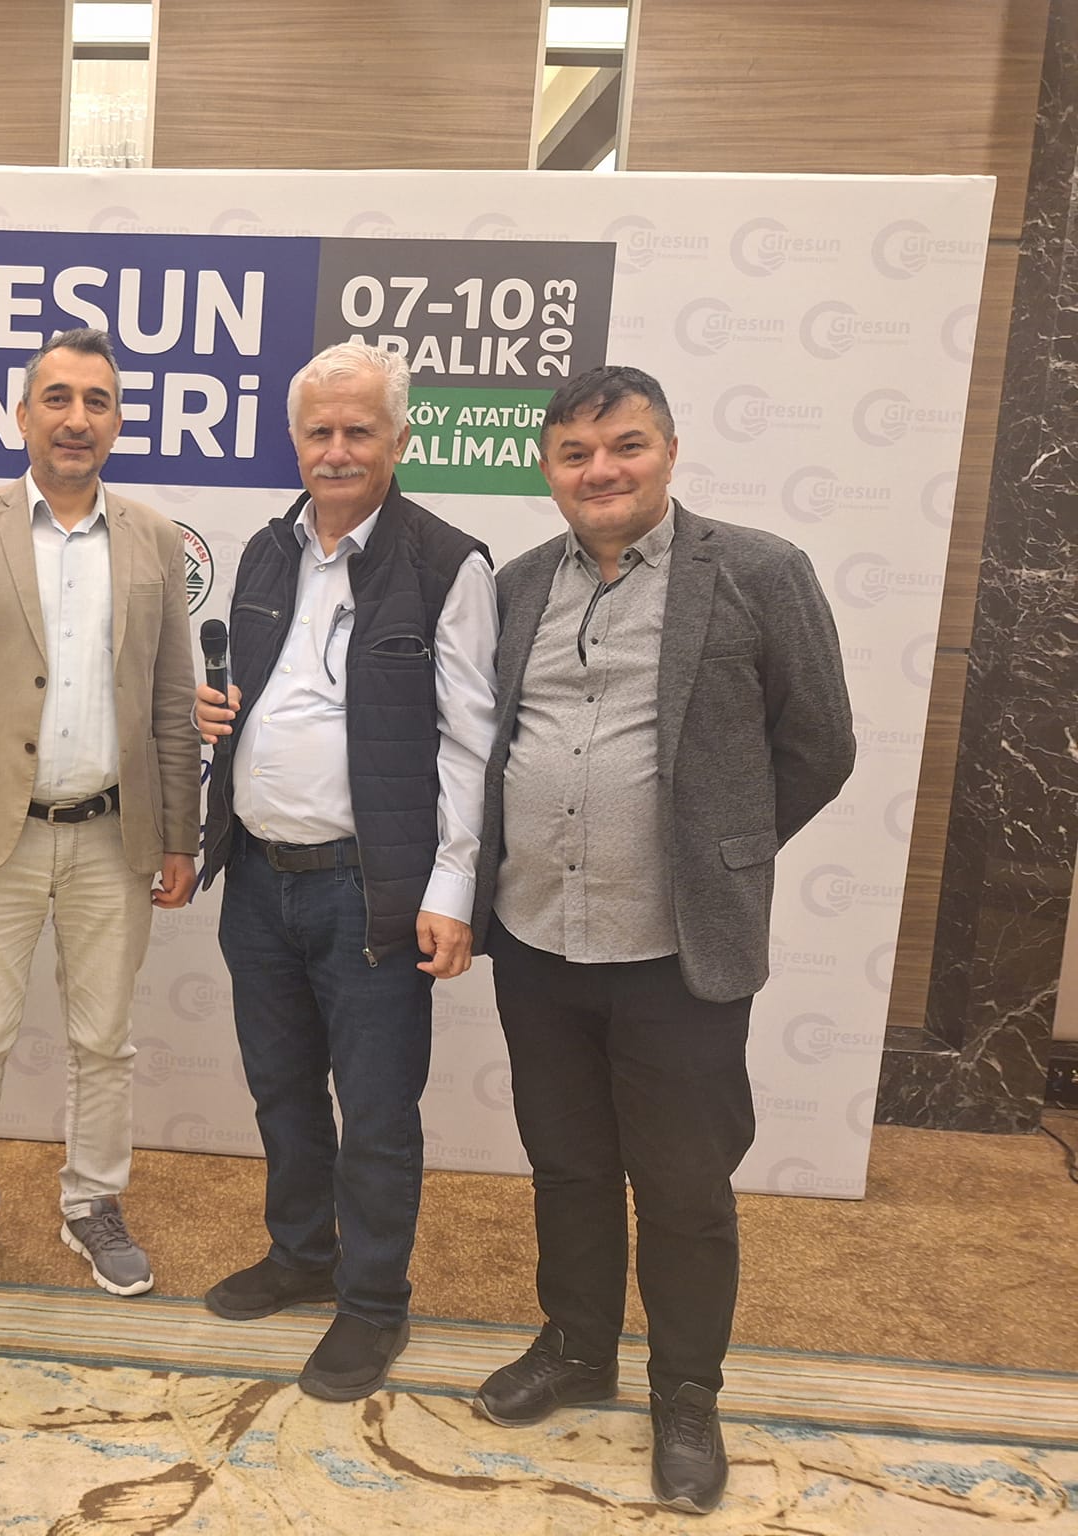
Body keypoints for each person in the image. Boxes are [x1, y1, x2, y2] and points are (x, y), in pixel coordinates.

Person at [469, 364, 855, 1514]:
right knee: (567, 1163)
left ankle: (685, 1392)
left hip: (674, 952)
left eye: (624, 446)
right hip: (535, 938)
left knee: (683, 1185)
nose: (600, 471)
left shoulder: (757, 572)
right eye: (574, 454)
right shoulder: (515, 587)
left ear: (668, 452)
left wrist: (719, 853)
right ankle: (575, 1346)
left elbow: (818, 744)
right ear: (547, 470)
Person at [194, 341, 498, 1401]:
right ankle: (301, 1255)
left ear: (397, 439)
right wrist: (216, 720)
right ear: (294, 440)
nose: (335, 450)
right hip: (257, 879)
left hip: (372, 890)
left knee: (374, 1110)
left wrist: (451, 890)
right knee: (280, 1088)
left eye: (357, 430)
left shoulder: (446, 563)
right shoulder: (265, 549)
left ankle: (372, 1304)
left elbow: (470, 744)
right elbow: (257, 695)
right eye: (317, 431)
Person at [0, 327, 201, 1304]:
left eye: (96, 401)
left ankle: (91, 1203)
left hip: (115, 838)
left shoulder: (154, 538)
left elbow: (171, 700)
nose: (77, 419)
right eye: (58, 399)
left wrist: (181, 835)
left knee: (104, 1039)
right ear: (23, 414)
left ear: (117, 420)